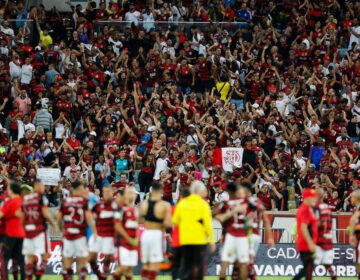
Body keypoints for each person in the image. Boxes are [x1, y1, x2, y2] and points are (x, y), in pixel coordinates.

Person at [173, 180, 216, 280]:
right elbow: (208, 225)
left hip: (185, 240)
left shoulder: (182, 203)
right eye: (204, 190)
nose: (205, 192)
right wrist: (212, 241)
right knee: (199, 266)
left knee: (187, 266)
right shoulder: (203, 205)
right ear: (199, 192)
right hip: (199, 241)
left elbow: (175, 221)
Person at [57, 180, 97, 280]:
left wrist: (62, 230)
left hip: (68, 235)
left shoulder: (65, 202)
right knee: (82, 263)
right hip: (80, 236)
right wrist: (95, 232)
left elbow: (58, 218)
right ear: (78, 189)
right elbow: (89, 218)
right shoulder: (83, 201)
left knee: (67, 264)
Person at [21, 180, 56, 280]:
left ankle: (29, 277)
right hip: (39, 230)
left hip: (28, 230)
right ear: (37, 186)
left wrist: (23, 229)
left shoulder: (26, 199)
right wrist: (53, 224)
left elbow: (23, 217)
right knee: (46, 254)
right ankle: (39, 272)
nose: (43, 188)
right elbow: (45, 213)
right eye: (42, 186)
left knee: (30, 257)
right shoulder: (41, 197)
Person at [240, 180, 274, 280]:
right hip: (256, 236)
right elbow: (266, 220)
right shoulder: (258, 201)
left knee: (243, 262)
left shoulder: (242, 202)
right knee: (249, 262)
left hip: (246, 235)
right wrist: (270, 238)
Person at [139, 182, 172, 280]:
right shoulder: (165, 205)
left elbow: (139, 220)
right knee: (155, 263)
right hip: (157, 234)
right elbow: (168, 224)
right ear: (161, 190)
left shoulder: (144, 204)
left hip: (145, 234)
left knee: (146, 263)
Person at [88, 185, 117, 280]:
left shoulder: (116, 205)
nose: (107, 193)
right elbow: (91, 215)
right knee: (91, 258)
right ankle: (99, 275)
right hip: (98, 234)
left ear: (112, 193)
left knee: (107, 258)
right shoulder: (98, 204)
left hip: (109, 236)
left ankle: (104, 275)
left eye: (108, 191)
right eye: (105, 192)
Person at [0, 182, 26, 280]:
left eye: (8, 189)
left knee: (3, 257)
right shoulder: (22, 201)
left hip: (10, 233)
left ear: (12, 190)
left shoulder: (10, 202)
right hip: (21, 234)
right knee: (20, 259)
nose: (7, 190)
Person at [113, 186, 139, 280]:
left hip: (132, 243)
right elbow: (117, 226)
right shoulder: (120, 208)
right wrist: (129, 239)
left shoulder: (135, 210)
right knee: (123, 267)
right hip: (122, 243)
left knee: (129, 270)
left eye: (134, 193)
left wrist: (136, 239)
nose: (133, 195)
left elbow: (136, 226)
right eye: (130, 193)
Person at [293, 188, 318, 280]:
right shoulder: (305, 210)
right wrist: (311, 244)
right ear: (306, 198)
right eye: (312, 197)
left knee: (309, 269)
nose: (314, 199)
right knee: (308, 268)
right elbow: (304, 228)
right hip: (305, 244)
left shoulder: (308, 209)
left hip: (307, 243)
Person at [313, 188, 337, 280]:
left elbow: (317, 224)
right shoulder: (327, 208)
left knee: (309, 265)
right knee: (328, 265)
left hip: (319, 240)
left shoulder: (316, 208)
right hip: (328, 240)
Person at [349, 189, 360, 278]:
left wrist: (353, 228)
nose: (350, 199)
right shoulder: (356, 209)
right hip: (358, 240)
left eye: (352, 196)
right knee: (357, 262)